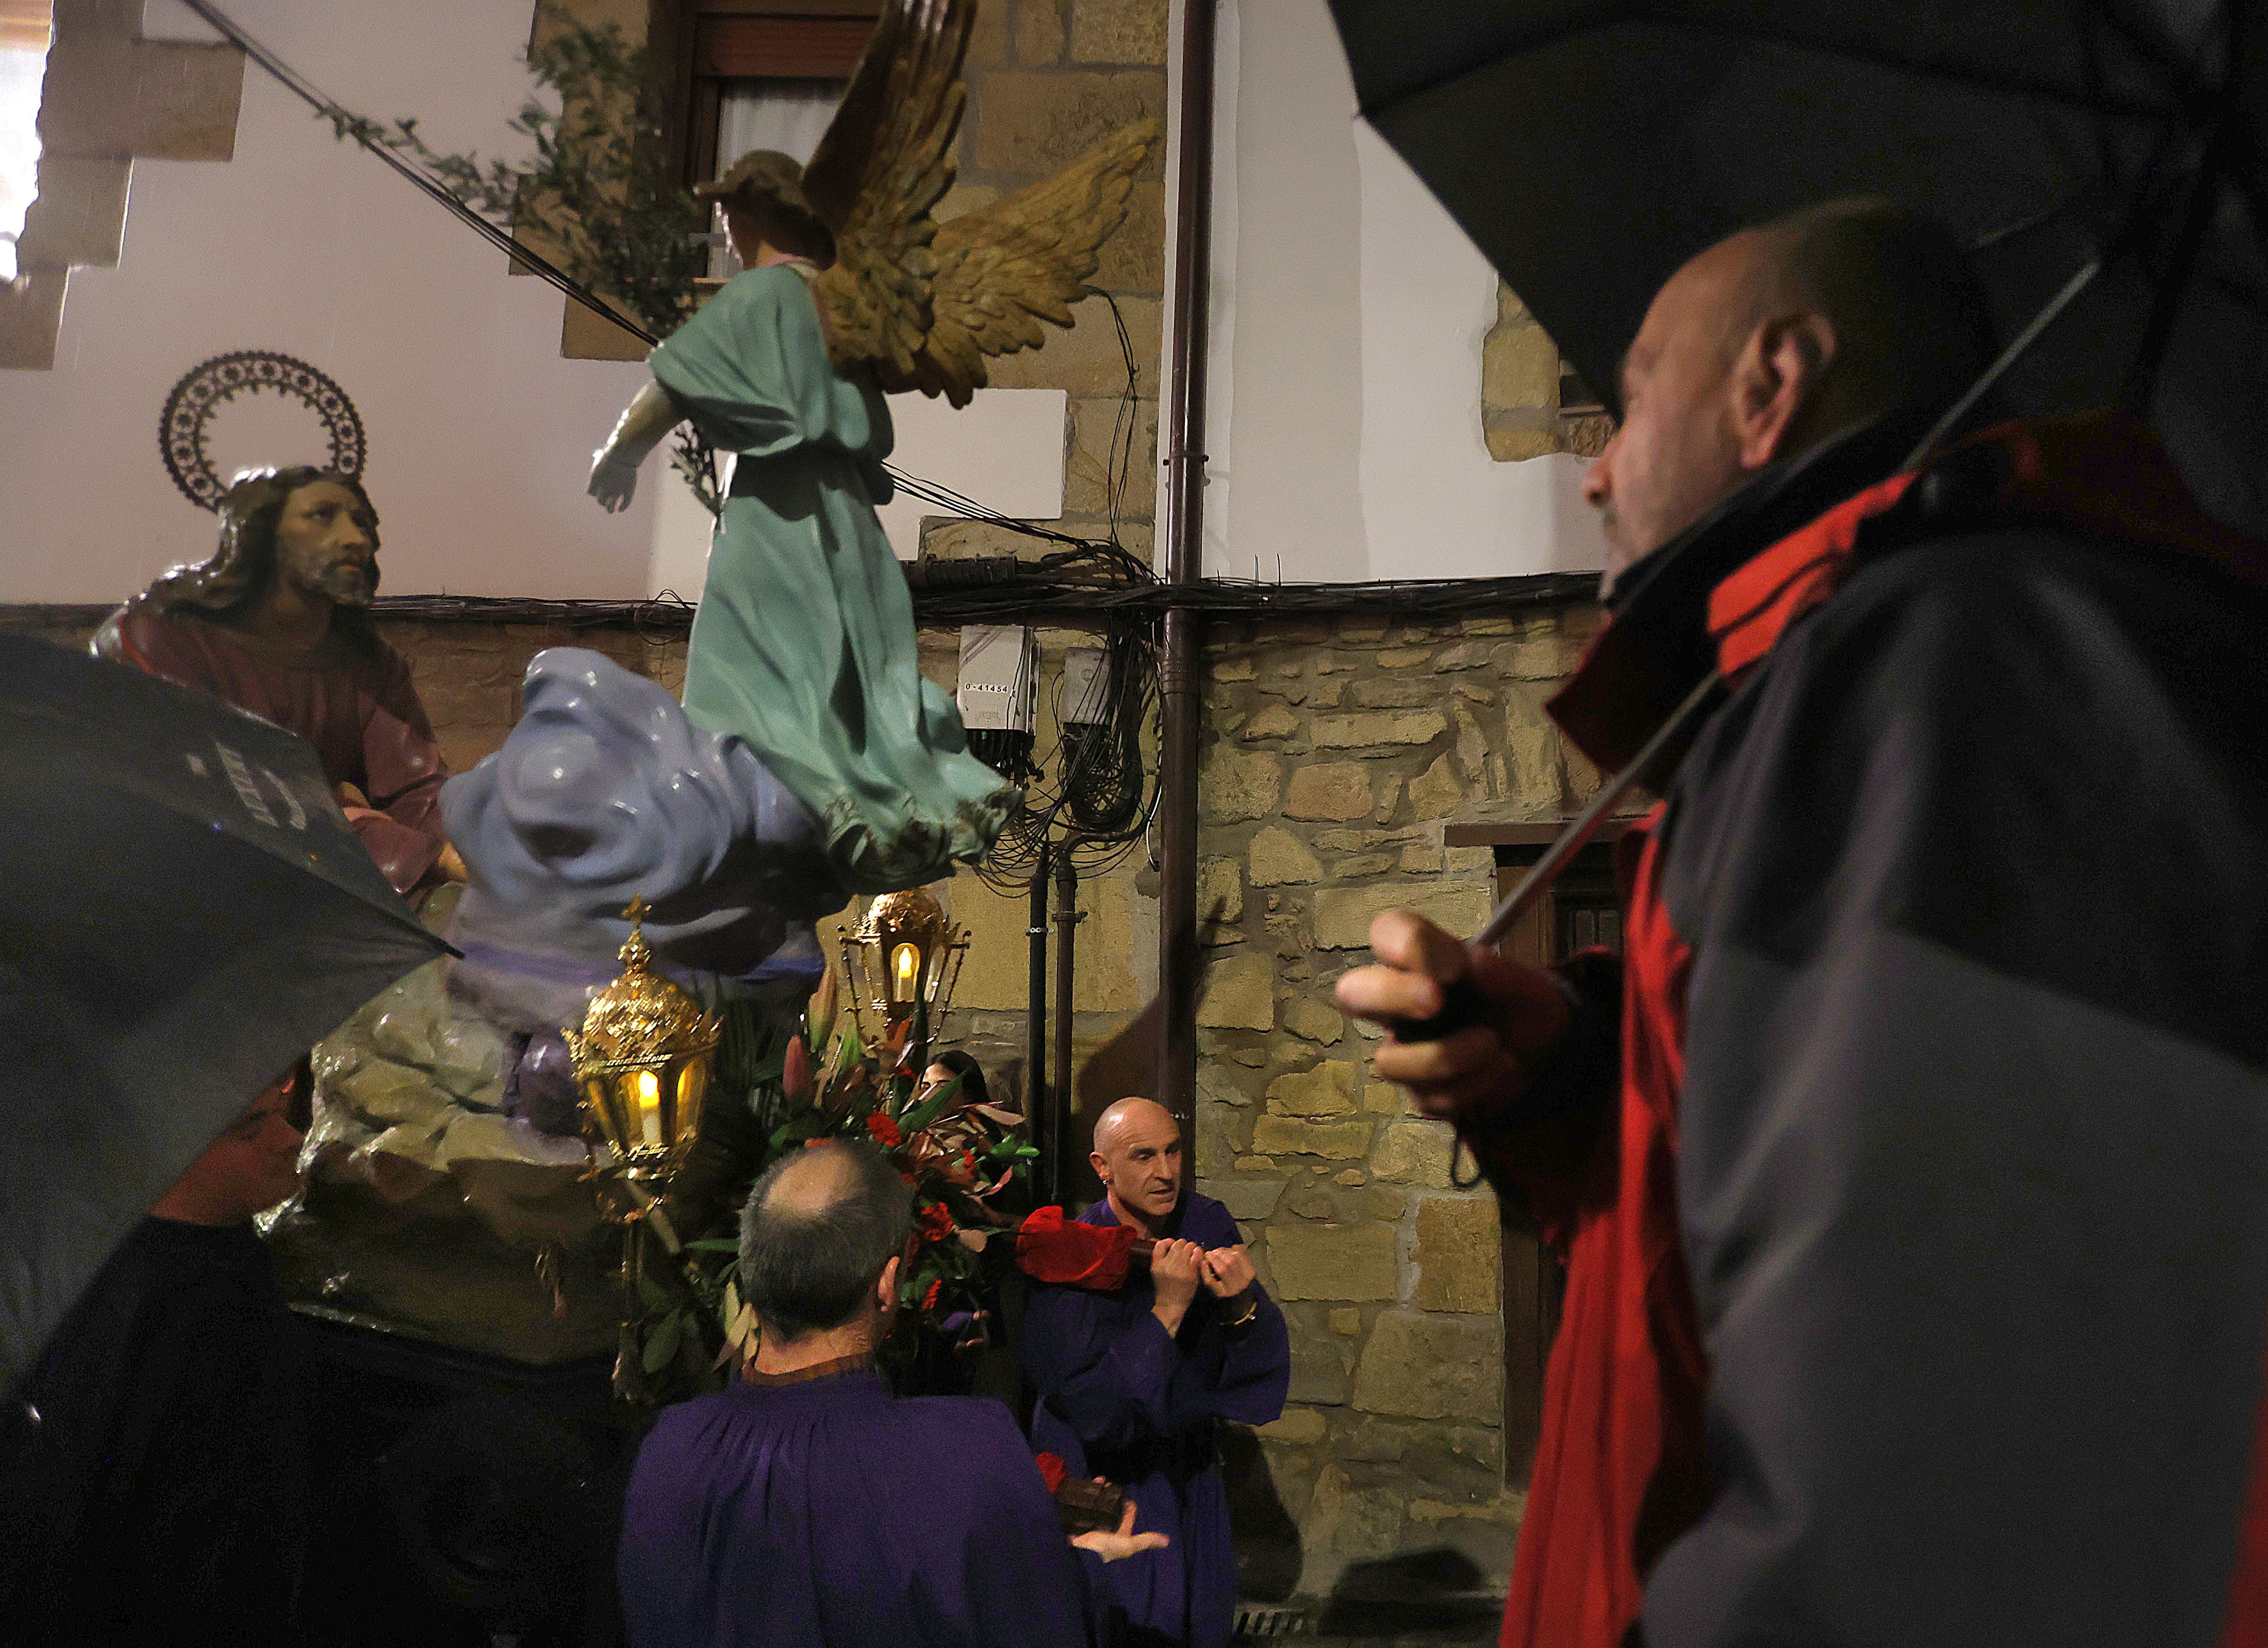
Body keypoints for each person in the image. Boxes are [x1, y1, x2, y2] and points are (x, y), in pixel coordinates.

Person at [1338, 197, 2268, 1648]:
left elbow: (1923, 1432)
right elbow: (1795, 1219)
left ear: (1767, 388)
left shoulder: (1922, 671)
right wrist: (1577, 1076)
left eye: (1631, 390)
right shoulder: (1867, 663)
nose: (1592, 471)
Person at [586, 150, 1014, 893]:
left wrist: (618, 455)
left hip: (776, 509)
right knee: (837, 669)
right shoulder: (839, 307)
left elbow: (671, 386)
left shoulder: (761, 296)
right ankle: (858, 793)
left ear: (754, 213)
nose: (722, 220)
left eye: (729, 208)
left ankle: (792, 798)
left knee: (751, 667)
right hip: (848, 523)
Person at [618, 1138, 1164, 1648]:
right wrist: (1090, 1572)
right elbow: (1037, 1625)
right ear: (887, 1284)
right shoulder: (971, 1448)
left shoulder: (668, 1448)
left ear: (751, 1271)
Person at [0, 1056, 313, 1647]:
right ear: (170, 1149)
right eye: (251, 1127)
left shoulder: (95, 1256)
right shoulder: (204, 1320)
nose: (290, 1138)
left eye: (281, 1110)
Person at [93, 466, 461, 895]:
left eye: (362, 523)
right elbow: (226, 793)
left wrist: (484, 846)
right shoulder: (164, 638)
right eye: (323, 516)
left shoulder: (368, 664)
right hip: (184, 877)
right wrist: (404, 847)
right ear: (260, 533)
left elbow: (418, 792)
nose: (355, 539)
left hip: (325, 879)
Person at [1022, 1097, 1292, 1648]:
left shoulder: (1204, 1222)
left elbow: (1251, 1373)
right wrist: (1168, 1309)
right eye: (1144, 1156)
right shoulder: (1073, 1257)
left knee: (1201, 1624)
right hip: (1108, 1485)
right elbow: (1098, 1411)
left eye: (1173, 1151)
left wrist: (1241, 1305)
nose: (1166, 1172)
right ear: (1103, 1168)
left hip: (1190, 1473)